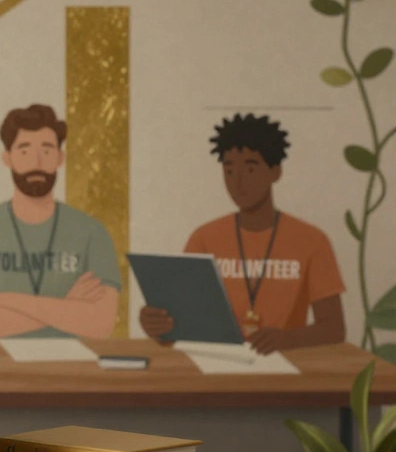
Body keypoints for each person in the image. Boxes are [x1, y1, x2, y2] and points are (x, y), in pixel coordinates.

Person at [140, 114, 345, 353]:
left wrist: (289, 340)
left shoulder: (312, 241)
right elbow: (182, 325)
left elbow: (334, 329)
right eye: (229, 170)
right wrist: (158, 324)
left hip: (285, 372)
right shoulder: (204, 238)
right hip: (218, 369)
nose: (237, 182)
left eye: (250, 168)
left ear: (275, 172)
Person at [0, 104, 120, 339]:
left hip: (74, 368)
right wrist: (66, 309)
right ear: (8, 158)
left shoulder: (92, 232)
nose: (36, 161)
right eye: (24, 150)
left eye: (46, 150)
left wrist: (7, 301)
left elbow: (101, 324)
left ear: (60, 157)